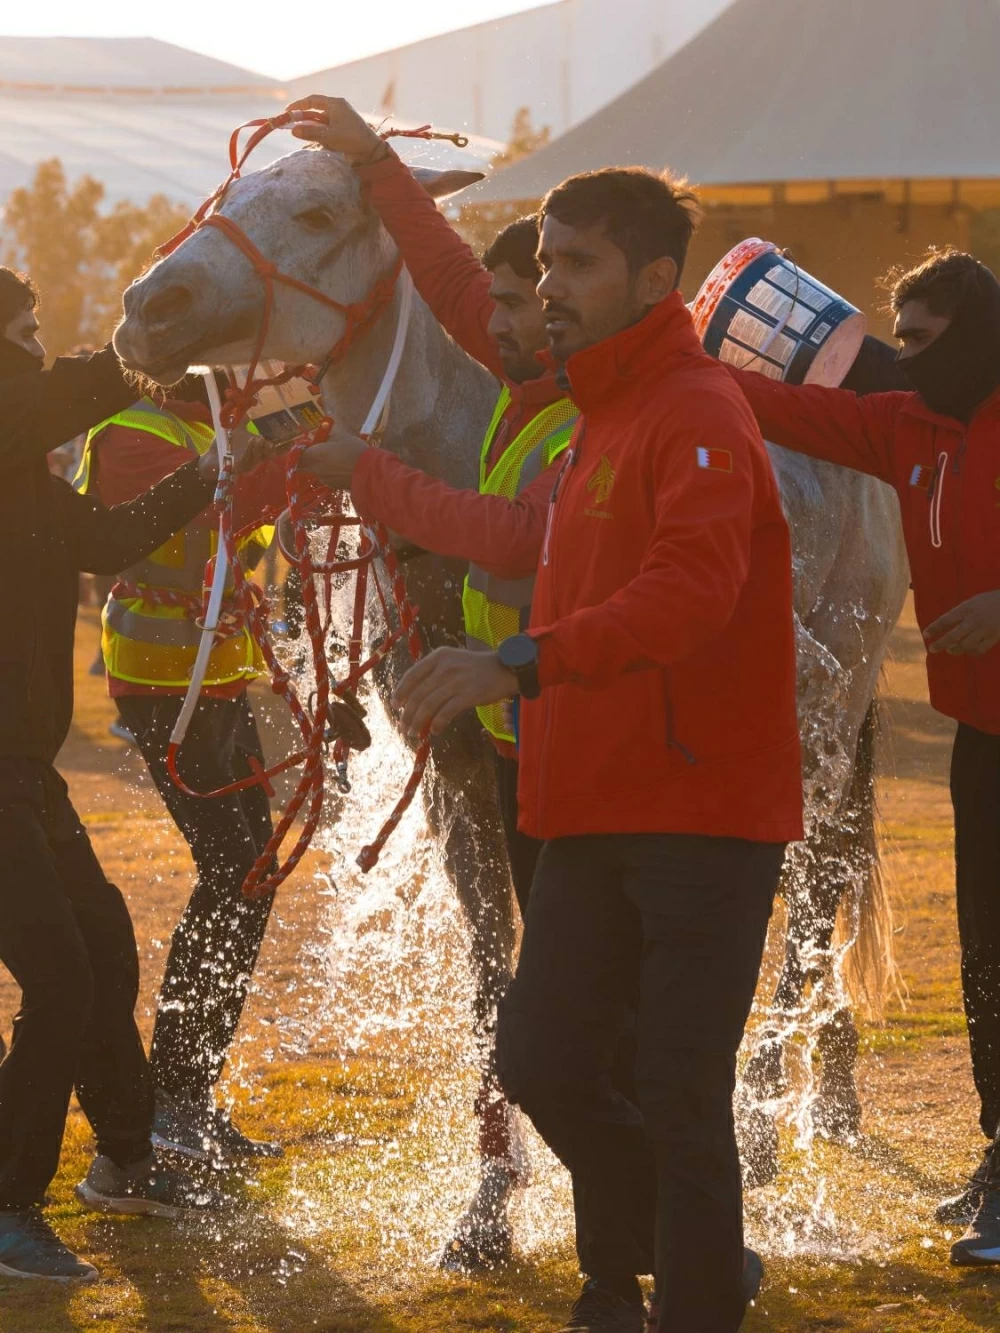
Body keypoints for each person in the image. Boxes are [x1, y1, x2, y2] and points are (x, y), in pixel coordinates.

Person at [392, 168, 804, 1332]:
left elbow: (690, 594)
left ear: (655, 281)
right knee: (546, 1063)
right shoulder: (596, 411)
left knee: (677, 1089)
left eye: (577, 265)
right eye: (546, 261)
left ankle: (675, 1296)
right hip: (584, 808)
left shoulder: (697, 407)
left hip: (700, 814)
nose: (548, 286)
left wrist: (516, 663)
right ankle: (676, 1260)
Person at [720, 247, 1000, 1268]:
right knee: (986, 958)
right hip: (984, 730)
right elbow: (775, 407)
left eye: (921, 342)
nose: (898, 360)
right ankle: (999, 1154)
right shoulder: (906, 428)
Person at [0, 266, 262, 1282]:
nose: (36, 340)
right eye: (23, 326)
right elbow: (68, 391)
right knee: (60, 977)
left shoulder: (23, 468)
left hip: (23, 768)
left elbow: (106, 538)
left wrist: (223, 468)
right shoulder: (13, 420)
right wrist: (159, 334)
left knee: (103, 949)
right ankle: (10, 1201)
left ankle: (126, 1159)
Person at [289, 93, 578, 917]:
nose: (491, 319)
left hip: (584, 737)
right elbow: (447, 274)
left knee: (583, 970)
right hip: (527, 728)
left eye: (516, 303)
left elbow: (519, 537)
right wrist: (375, 160)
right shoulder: (537, 363)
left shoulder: (611, 410)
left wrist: (369, 474)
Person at [76, 380, 289, 1164]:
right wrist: (304, 454)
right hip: (163, 680)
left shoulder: (218, 424)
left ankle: (190, 1092)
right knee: (231, 865)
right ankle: (172, 1097)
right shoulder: (132, 431)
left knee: (254, 871)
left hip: (219, 677)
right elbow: (219, 508)